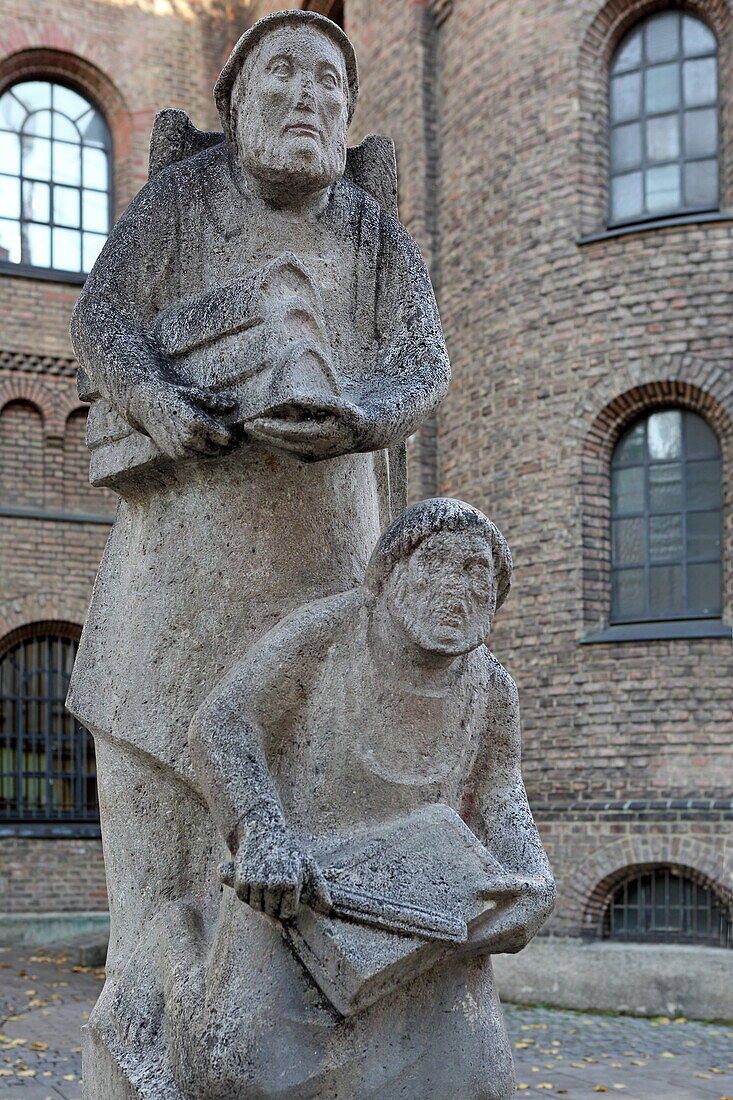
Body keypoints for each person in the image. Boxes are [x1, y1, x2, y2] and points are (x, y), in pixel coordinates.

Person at [65, 10, 450, 1053]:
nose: (308, 98)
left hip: (324, 554)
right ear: (235, 100)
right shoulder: (185, 202)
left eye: (329, 81)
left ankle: (283, 1038)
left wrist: (360, 416)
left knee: (308, 790)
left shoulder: (371, 232)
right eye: (282, 74)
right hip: (180, 557)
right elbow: (99, 317)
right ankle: (146, 1015)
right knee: (160, 797)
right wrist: (156, 399)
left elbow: (425, 364)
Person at [177, 498, 555, 1100]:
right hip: (300, 892)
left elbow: (501, 787)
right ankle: (180, 970)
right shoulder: (328, 633)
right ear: (387, 576)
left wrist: (532, 879)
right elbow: (224, 723)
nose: (455, 590)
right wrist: (262, 831)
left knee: (476, 1084)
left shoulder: (492, 685)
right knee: (245, 1074)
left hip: (424, 913)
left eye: (476, 574)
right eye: (434, 563)